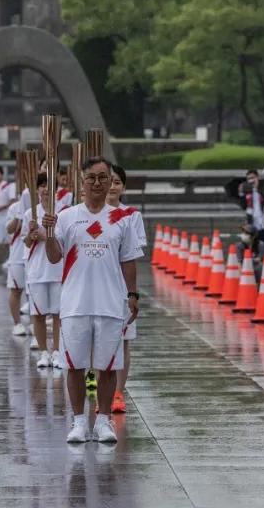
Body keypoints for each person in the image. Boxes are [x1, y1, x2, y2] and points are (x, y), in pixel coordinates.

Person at [43, 157, 141, 444]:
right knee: (74, 365)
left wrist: (133, 294)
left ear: (111, 181)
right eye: (91, 178)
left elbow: (129, 260)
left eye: (103, 177)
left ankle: (103, 421)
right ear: (82, 181)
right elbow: (53, 256)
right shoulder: (67, 217)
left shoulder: (122, 218)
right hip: (75, 302)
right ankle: (78, 422)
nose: (97, 183)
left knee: (108, 366)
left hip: (111, 302)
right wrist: (49, 233)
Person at [105, 163, 145, 414]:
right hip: (97, 286)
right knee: (94, 340)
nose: (111, 186)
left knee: (124, 341)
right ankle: (94, 381)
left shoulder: (131, 215)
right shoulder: (86, 214)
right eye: (107, 181)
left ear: (123, 187)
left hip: (121, 287)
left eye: (117, 182)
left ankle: (118, 392)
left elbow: (135, 251)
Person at [23, 174, 65, 369]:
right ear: (37, 190)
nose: (45, 189)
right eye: (41, 186)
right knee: (38, 314)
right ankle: (43, 353)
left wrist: (44, 234)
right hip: (37, 270)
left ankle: (57, 351)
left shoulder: (63, 213)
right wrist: (31, 233)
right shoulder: (30, 214)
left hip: (57, 270)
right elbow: (26, 242)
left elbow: (62, 239)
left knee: (58, 313)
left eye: (49, 186)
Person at [4, 199, 28, 336]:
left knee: (34, 294)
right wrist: (19, 215)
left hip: (35, 256)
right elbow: (9, 229)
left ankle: (34, 325)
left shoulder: (43, 207)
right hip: (18, 254)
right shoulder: (15, 207)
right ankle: (17, 323)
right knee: (16, 290)